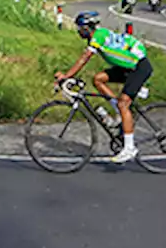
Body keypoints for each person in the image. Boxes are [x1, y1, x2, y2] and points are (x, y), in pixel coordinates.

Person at [56, 11, 152, 164]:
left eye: (80, 28)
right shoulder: (97, 36)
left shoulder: (98, 36)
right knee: (98, 79)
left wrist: (66, 77)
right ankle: (118, 111)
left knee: (123, 103)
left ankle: (129, 148)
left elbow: (84, 58)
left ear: (87, 28)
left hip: (139, 67)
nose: (78, 31)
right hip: (128, 67)